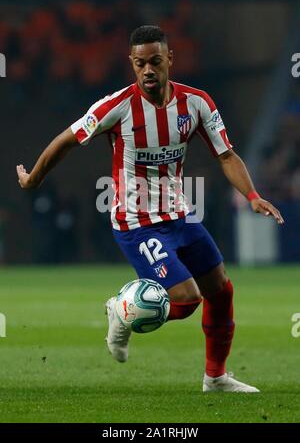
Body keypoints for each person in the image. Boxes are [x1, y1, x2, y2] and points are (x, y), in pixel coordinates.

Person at [16, 25, 284, 393]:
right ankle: (123, 311)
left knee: (221, 289)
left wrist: (252, 196)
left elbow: (226, 155)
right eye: (140, 63)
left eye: (155, 61)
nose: (148, 71)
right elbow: (67, 140)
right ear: (132, 63)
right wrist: (34, 178)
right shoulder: (116, 107)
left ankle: (216, 377)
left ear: (169, 59)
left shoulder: (196, 103)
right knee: (187, 299)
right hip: (135, 222)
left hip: (179, 214)